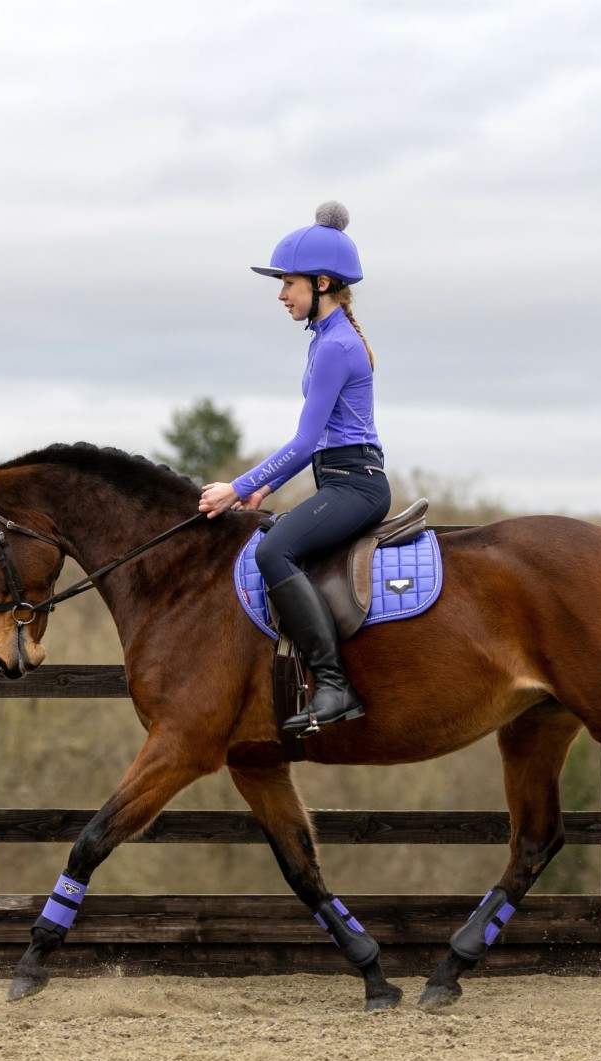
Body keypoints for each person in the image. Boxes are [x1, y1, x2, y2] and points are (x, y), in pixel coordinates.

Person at [199, 201, 390, 734]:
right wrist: (265, 489)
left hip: (356, 484)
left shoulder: (335, 347)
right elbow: (319, 441)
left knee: (273, 549)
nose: (282, 295)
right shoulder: (326, 340)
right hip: (341, 478)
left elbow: (307, 441)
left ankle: (333, 684)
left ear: (322, 282)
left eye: (288, 283)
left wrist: (236, 488)